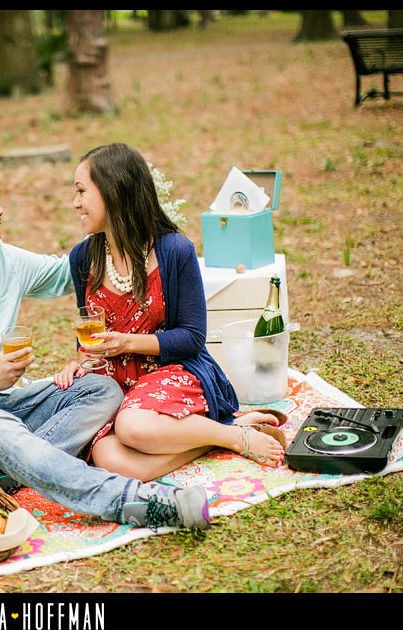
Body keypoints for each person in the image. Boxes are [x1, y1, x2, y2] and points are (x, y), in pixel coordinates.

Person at [0, 161, 211, 530]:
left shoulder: (2, 263)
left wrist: (125, 226)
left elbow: (75, 270)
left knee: (100, 389)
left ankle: (0, 479)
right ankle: (129, 501)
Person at [53, 143, 286, 482]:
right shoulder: (82, 259)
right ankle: (218, 435)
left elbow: (192, 337)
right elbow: (88, 329)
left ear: (113, 191)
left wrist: (127, 343)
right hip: (114, 382)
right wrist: (79, 359)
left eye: (81, 191)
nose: (75, 202)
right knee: (109, 458)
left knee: (132, 427)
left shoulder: (174, 251)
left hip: (173, 370)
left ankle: (233, 437)